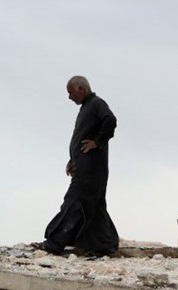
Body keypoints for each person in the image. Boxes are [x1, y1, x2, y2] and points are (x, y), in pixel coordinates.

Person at [32, 76, 119, 256]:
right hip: (85, 167)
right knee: (93, 206)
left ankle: (54, 243)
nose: (69, 97)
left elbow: (110, 120)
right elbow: (81, 137)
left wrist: (97, 142)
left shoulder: (96, 103)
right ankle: (105, 245)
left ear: (81, 89)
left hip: (92, 169)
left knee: (73, 201)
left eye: (71, 92)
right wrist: (73, 160)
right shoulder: (87, 107)